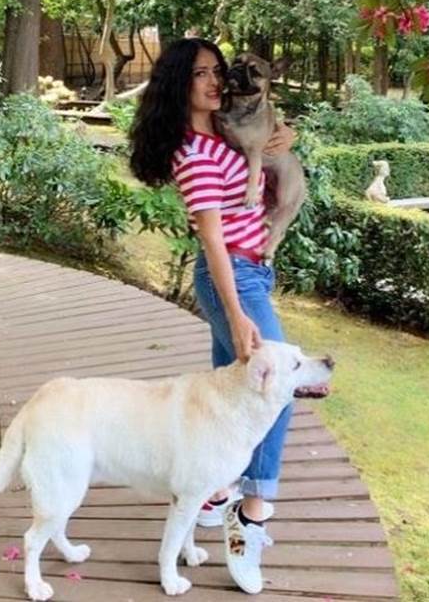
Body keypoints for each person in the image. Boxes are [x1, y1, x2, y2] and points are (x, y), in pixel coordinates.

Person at [129, 37, 297, 595]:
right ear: (178, 82)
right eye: (200, 73)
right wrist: (237, 312)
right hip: (234, 278)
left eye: (216, 71)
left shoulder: (219, 131)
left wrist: (282, 140)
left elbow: (266, 154)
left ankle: (213, 493)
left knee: (228, 392)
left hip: (256, 271)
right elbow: (213, 241)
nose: (214, 81)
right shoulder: (192, 151)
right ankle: (249, 517)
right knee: (278, 387)